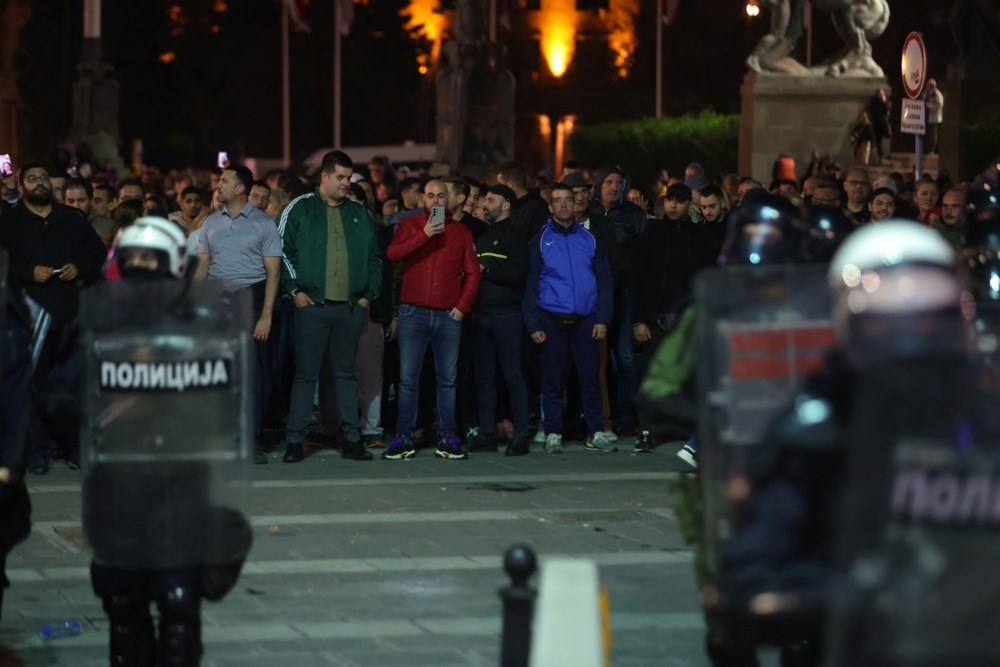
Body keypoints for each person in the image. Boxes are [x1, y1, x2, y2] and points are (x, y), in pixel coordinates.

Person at [83, 216, 252, 666]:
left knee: (179, 600)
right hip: (118, 480)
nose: (141, 269)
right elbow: (61, 396)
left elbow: (230, 404)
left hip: (181, 478)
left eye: (150, 260)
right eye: (134, 260)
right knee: (124, 602)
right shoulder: (98, 321)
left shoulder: (202, 324)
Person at [277, 151, 383, 464]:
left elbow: (375, 259)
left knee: (346, 374)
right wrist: (294, 291)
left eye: (348, 177)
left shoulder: (358, 211)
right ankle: (295, 441)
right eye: (340, 177)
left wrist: (366, 297)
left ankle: (352, 439)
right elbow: (281, 250)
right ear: (324, 177)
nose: (346, 183)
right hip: (312, 306)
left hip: (350, 308)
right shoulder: (300, 207)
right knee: (306, 375)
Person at [383, 179, 481, 460]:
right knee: (408, 380)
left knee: (448, 380)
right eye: (430, 195)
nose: (436, 200)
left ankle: (447, 436)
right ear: (422, 199)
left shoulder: (461, 232)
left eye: (440, 195)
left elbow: (473, 273)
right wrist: (424, 234)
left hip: (447, 315)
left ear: (448, 198)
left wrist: (462, 305)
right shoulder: (410, 225)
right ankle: (403, 437)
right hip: (412, 313)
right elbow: (393, 254)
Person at [196, 165, 283, 464]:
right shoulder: (211, 223)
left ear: (239, 188)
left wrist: (266, 315)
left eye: (224, 181)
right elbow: (202, 266)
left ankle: (250, 439)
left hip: (250, 299)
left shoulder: (263, 224)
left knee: (250, 374)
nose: (218, 185)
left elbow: (273, 272)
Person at [524, 182, 615, 454]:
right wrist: (533, 323)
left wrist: (603, 318)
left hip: (586, 318)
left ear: (575, 204)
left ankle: (595, 431)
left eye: (568, 199)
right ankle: (553, 432)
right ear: (550, 207)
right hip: (551, 317)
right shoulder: (540, 241)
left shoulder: (591, 239)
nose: (564, 204)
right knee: (552, 380)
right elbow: (531, 284)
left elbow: (604, 281)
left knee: (590, 378)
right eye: (558, 200)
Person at [464, 184, 531, 456]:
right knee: (484, 378)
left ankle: (521, 434)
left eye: (491, 200)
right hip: (481, 315)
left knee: (513, 375)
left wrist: (488, 270)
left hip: (506, 315)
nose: (485, 204)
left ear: (506, 205)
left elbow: (519, 275)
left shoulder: (516, 238)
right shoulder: (482, 238)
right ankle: (486, 432)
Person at [868, 88, 891, 162]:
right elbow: (883, 111)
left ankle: (881, 156)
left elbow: (886, 111)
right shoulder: (875, 101)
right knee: (878, 141)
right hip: (878, 124)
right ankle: (880, 156)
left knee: (880, 140)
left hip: (881, 124)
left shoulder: (882, 101)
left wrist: (884, 101)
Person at [924, 78, 944, 154]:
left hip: (934, 118)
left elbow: (939, 105)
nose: (927, 87)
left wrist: (930, 106)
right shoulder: (926, 93)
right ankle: (927, 149)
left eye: (928, 86)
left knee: (933, 135)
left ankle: (932, 149)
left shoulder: (937, 94)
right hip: (927, 117)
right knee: (927, 134)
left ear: (932, 86)